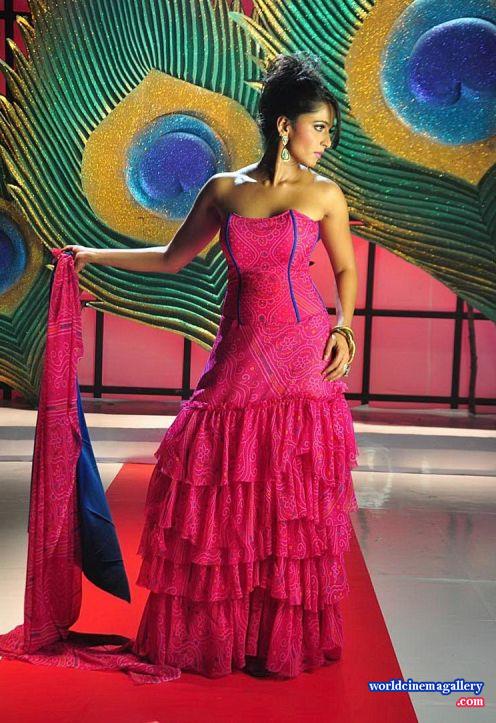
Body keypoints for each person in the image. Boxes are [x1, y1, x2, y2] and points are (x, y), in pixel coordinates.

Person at [62, 51, 359, 680]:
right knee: (219, 473)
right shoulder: (224, 190)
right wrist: (92, 255)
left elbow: (344, 269)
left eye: (330, 131)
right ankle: (218, 633)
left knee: (288, 488)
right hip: (243, 346)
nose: (327, 142)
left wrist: (344, 326)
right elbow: (172, 259)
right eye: (320, 128)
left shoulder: (325, 194)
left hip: (303, 348)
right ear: (285, 125)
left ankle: (274, 637)